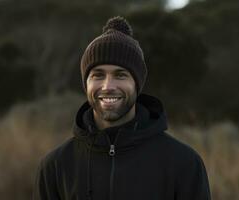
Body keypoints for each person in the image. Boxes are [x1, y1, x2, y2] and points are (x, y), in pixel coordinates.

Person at [33, 16, 211, 200]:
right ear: (86, 84)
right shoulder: (55, 166)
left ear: (137, 84)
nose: (108, 86)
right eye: (98, 75)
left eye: (120, 75)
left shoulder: (184, 163)